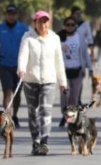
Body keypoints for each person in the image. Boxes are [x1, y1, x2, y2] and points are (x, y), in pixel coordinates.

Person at [17, 11, 67, 155]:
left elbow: (59, 61)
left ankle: (44, 141)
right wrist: (21, 69)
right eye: (40, 22)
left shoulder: (54, 38)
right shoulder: (28, 37)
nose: (43, 24)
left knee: (46, 110)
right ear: (35, 23)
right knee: (33, 112)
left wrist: (62, 81)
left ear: (49, 23)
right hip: (31, 79)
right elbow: (23, 55)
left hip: (49, 80)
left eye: (45, 22)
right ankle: (35, 141)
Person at [0, 4, 29, 128]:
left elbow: (31, 44)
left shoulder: (24, 28)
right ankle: (8, 118)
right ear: (6, 15)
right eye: (9, 13)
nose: (11, 16)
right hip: (4, 65)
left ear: (17, 15)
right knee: (7, 92)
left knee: (17, 94)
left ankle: (14, 115)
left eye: (13, 14)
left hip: (20, 66)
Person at [58, 16, 93, 127]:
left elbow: (85, 54)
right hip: (64, 71)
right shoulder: (58, 37)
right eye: (67, 25)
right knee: (65, 96)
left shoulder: (80, 37)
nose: (70, 27)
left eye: (72, 25)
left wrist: (90, 68)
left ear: (75, 26)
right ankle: (65, 115)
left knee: (74, 97)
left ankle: (72, 118)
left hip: (78, 71)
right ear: (64, 26)